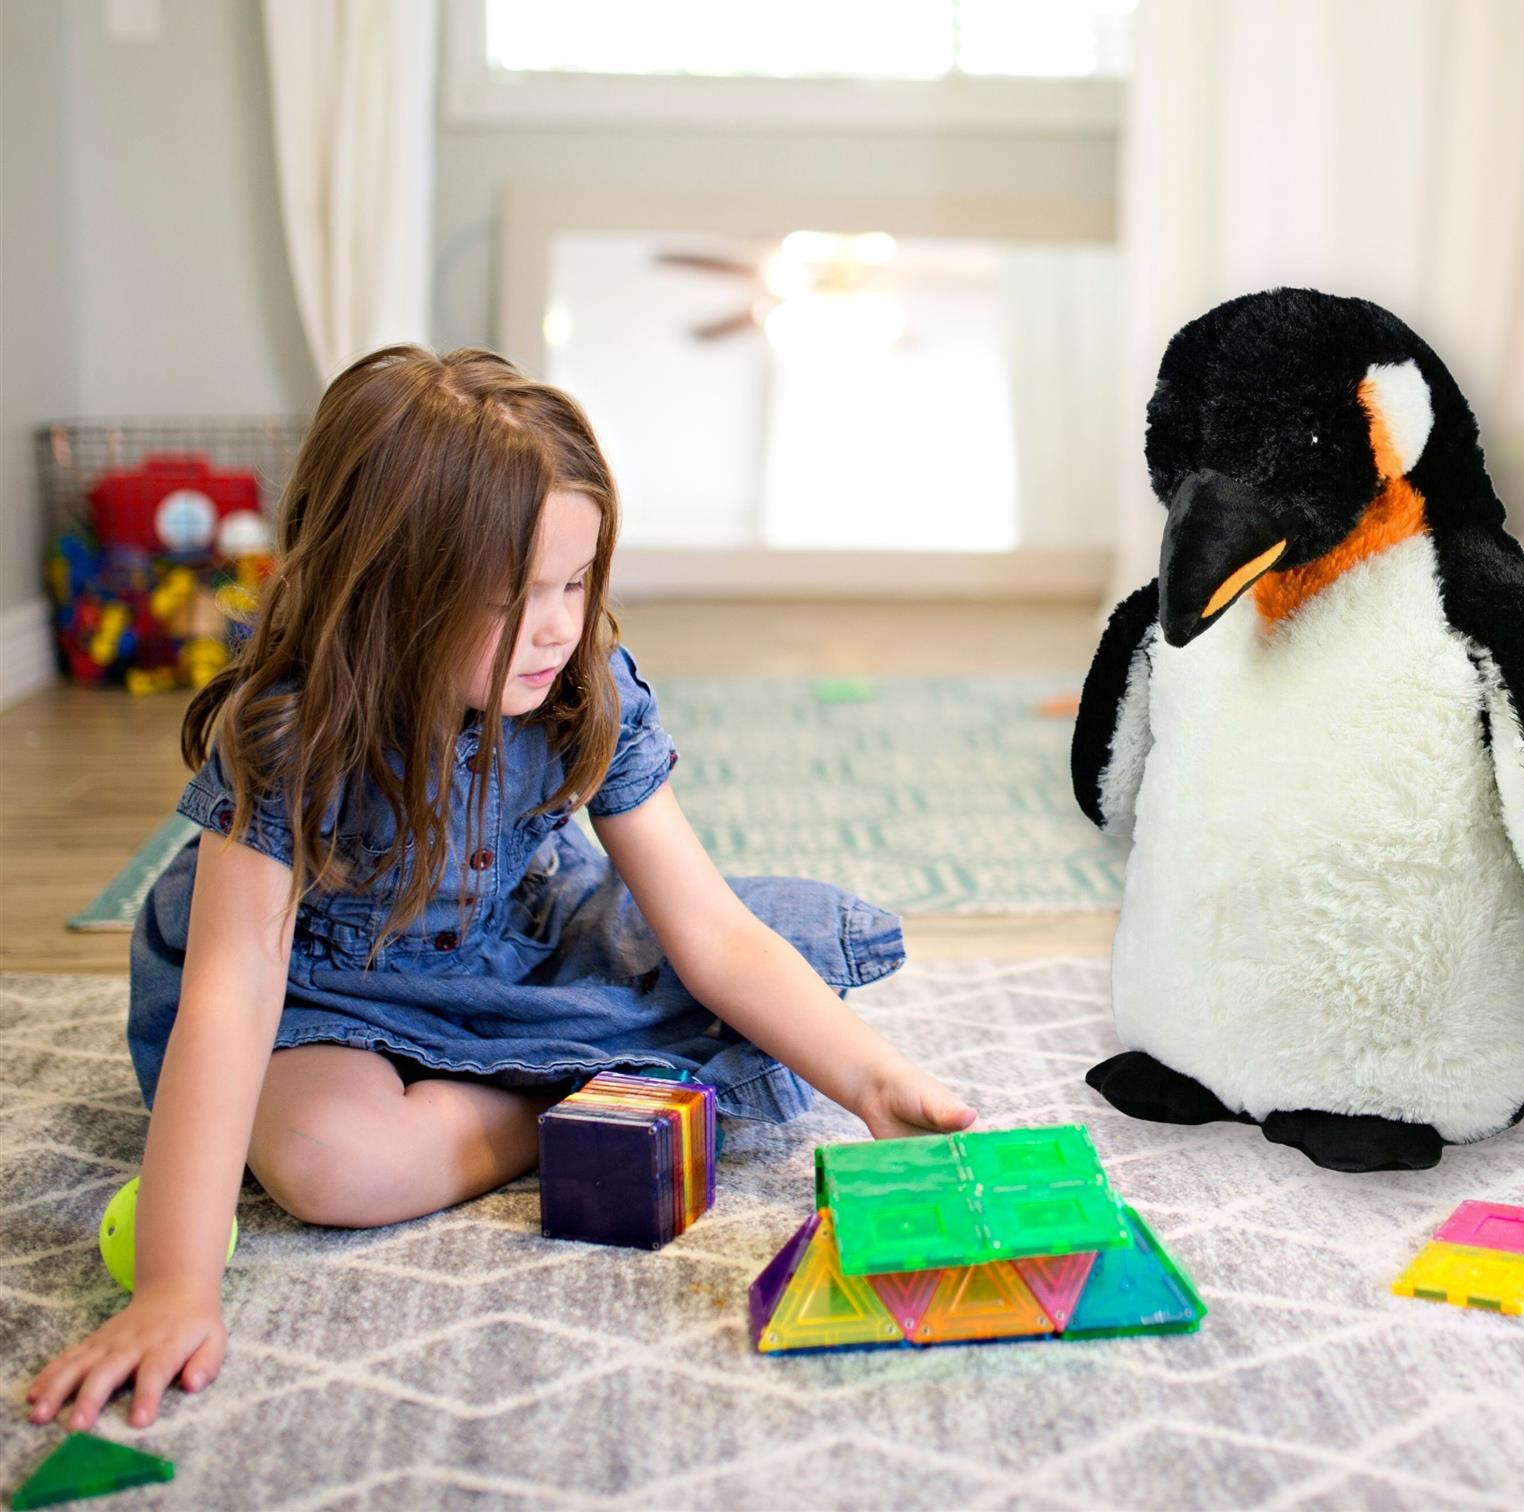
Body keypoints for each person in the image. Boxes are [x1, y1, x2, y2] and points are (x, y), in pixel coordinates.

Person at [27, 347, 974, 1433]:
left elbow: (708, 926)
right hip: (318, 999)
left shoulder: (582, 685)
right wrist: (175, 1288)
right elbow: (234, 993)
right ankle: (576, 1094)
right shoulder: (297, 726)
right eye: (510, 598)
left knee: (770, 978)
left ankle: (577, 1064)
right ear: (383, 591)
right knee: (332, 1169)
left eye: (574, 584)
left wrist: (874, 1087)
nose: (558, 625)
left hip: (508, 947)